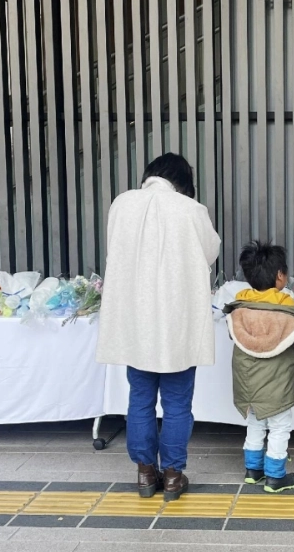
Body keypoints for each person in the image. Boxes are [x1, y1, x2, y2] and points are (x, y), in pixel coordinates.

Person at [97, 153, 221, 502]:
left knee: (140, 398)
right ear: (182, 181)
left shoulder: (122, 204)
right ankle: (172, 475)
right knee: (177, 402)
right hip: (177, 320)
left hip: (137, 321)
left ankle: (144, 473)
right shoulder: (190, 209)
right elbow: (210, 251)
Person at [223, 241, 294, 493]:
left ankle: (253, 470)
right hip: (277, 382)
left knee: (255, 421)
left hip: (247, 382)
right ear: (280, 276)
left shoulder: (239, 306)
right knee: (280, 425)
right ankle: (275, 475)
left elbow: (234, 336)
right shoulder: (287, 307)